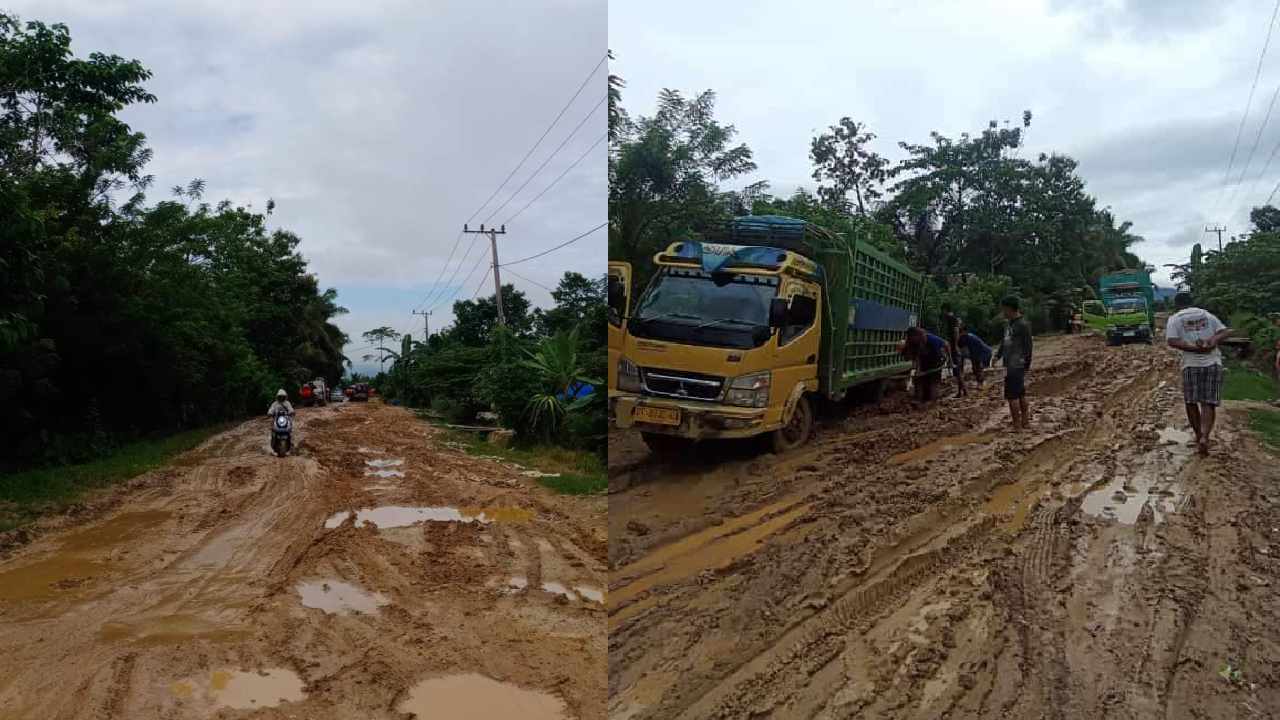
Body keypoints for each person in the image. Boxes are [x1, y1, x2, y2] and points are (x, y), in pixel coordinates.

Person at [1165, 292, 1231, 455]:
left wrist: (1193, 348)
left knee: (1191, 401)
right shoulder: (1206, 315)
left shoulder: (1175, 319)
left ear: (1177, 305)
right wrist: (1212, 342)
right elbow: (1224, 331)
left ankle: (1198, 435)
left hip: (1190, 365)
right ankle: (1205, 437)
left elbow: (1172, 341)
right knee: (1208, 402)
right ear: (1192, 302)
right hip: (1213, 362)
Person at [993, 296, 1033, 431]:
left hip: (1016, 364)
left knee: (1012, 395)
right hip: (1010, 364)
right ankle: (1024, 422)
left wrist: (1027, 364)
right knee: (1020, 393)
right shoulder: (1009, 324)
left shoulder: (1022, 325)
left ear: (1009, 308)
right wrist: (997, 355)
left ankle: (1017, 425)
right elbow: (1005, 341)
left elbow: (1028, 346)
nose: (1002, 312)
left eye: (1003, 309)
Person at [903, 326, 950, 404]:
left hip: (936, 361)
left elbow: (946, 344)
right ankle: (919, 398)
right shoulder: (913, 343)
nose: (911, 339)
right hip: (924, 361)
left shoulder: (932, 340)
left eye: (912, 337)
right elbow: (917, 357)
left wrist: (950, 361)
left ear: (917, 335)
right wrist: (917, 370)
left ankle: (932, 400)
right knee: (919, 379)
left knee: (933, 381)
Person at [941, 304, 965, 396]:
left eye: (943, 311)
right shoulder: (953, 319)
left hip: (954, 347)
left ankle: (961, 392)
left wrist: (955, 345)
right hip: (954, 346)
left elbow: (956, 332)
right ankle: (963, 391)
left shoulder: (951, 319)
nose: (942, 313)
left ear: (945, 310)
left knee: (957, 370)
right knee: (958, 370)